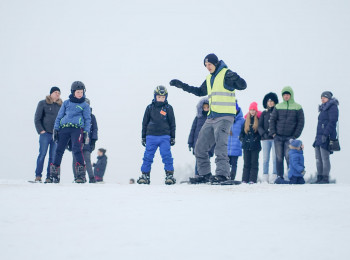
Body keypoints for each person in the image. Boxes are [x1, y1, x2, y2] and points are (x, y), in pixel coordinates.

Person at [170, 53, 247, 183]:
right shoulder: (209, 78)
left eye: (209, 64)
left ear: (215, 63)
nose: (207, 67)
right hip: (211, 117)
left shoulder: (226, 74)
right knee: (199, 147)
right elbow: (199, 91)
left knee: (220, 146)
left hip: (225, 117)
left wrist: (236, 77)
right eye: (205, 65)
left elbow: (242, 85)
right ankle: (205, 174)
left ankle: (223, 174)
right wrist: (182, 85)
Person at [49, 81, 91, 183]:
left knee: (77, 149)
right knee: (59, 150)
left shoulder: (84, 105)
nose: (80, 94)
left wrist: (86, 132)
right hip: (64, 129)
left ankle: (81, 176)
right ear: (73, 92)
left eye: (81, 92)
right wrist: (56, 129)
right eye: (78, 92)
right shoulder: (66, 103)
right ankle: (54, 175)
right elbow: (59, 116)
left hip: (77, 129)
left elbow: (87, 119)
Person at [138, 86, 176, 185]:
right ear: (155, 97)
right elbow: (144, 123)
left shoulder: (168, 108)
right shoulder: (149, 108)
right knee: (148, 156)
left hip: (164, 136)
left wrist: (172, 137)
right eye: (159, 97)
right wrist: (143, 136)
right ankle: (145, 175)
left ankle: (169, 175)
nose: (161, 99)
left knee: (166, 155)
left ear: (166, 97)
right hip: (151, 136)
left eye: (163, 97)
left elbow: (172, 123)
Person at [269, 86, 304, 180]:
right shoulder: (278, 106)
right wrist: (274, 133)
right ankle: (280, 176)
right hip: (278, 137)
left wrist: (295, 135)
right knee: (279, 157)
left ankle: (291, 175)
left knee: (289, 157)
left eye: (288, 94)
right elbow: (272, 120)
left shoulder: (298, 107)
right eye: (284, 94)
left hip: (290, 138)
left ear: (291, 95)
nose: (286, 96)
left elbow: (301, 122)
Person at [34, 87, 62, 183]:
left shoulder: (61, 106)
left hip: (56, 135)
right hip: (45, 134)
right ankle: (38, 176)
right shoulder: (43, 103)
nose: (57, 94)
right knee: (42, 154)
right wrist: (41, 130)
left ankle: (49, 177)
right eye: (55, 92)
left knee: (53, 157)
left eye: (59, 93)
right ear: (51, 93)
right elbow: (37, 118)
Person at [313, 91, 339, 184]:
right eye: (321, 97)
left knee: (325, 158)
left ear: (329, 98)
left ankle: (325, 178)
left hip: (326, 136)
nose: (322, 99)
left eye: (324, 97)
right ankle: (319, 177)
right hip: (319, 136)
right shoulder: (323, 108)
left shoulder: (332, 107)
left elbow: (332, 122)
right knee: (318, 158)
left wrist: (325, 134)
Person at [69, 98, 98, 183]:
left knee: (87, 160)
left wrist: (93, 142)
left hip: (87, 143)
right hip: (76, 142)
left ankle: (92, 178)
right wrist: (69, 142)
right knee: (75, 160)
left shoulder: (92, 117)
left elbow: (95, 130)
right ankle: (77, 177)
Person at [187, 97, 214, 181]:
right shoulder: (198, 118)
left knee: (206, 159)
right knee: (198, 160)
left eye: (207, 107)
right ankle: (197, 175)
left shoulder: (212, 119)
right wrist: (190, 142)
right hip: (197, 143)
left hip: (208, 144)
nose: (206, 109)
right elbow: (193, 130)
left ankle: (205, 175)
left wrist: (214, 145)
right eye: (204, 107)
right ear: (201, 108)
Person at [258, 92, 279, 183]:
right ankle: (265, 177)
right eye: (268, 101)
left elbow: (279, 125)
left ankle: (274, 176)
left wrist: (275, 133)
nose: (270, 103)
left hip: (275, 139)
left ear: (275, 102)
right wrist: (263, 134)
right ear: (266, 103)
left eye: (272, 101)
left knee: (275, 158)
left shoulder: (277, 112)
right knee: (265, 159)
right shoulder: (264, 113)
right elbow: (259, 126)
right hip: (265, 139)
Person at [240, 102, 262, 184]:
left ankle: (252, 179)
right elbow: (241, 133)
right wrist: (242, 139)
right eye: (251, 110)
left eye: (254, 110)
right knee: (246, 163)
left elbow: (260, 133)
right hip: (246, 145)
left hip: (255, 145)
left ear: (256, 111)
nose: (252, 111)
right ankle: (244, 179)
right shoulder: (246, 120)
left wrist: (256, 138)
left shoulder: (259, 120)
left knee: (254, 163)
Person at [227, 103, 245, 181]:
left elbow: (244, 132)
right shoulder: (226, 119)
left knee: (234, 164)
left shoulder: (242, 120)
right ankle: (226, 177)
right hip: (227, 146)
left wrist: (241, 139)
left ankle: (232, 178)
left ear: (237, 109)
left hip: (236, 145)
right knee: (226, 164)